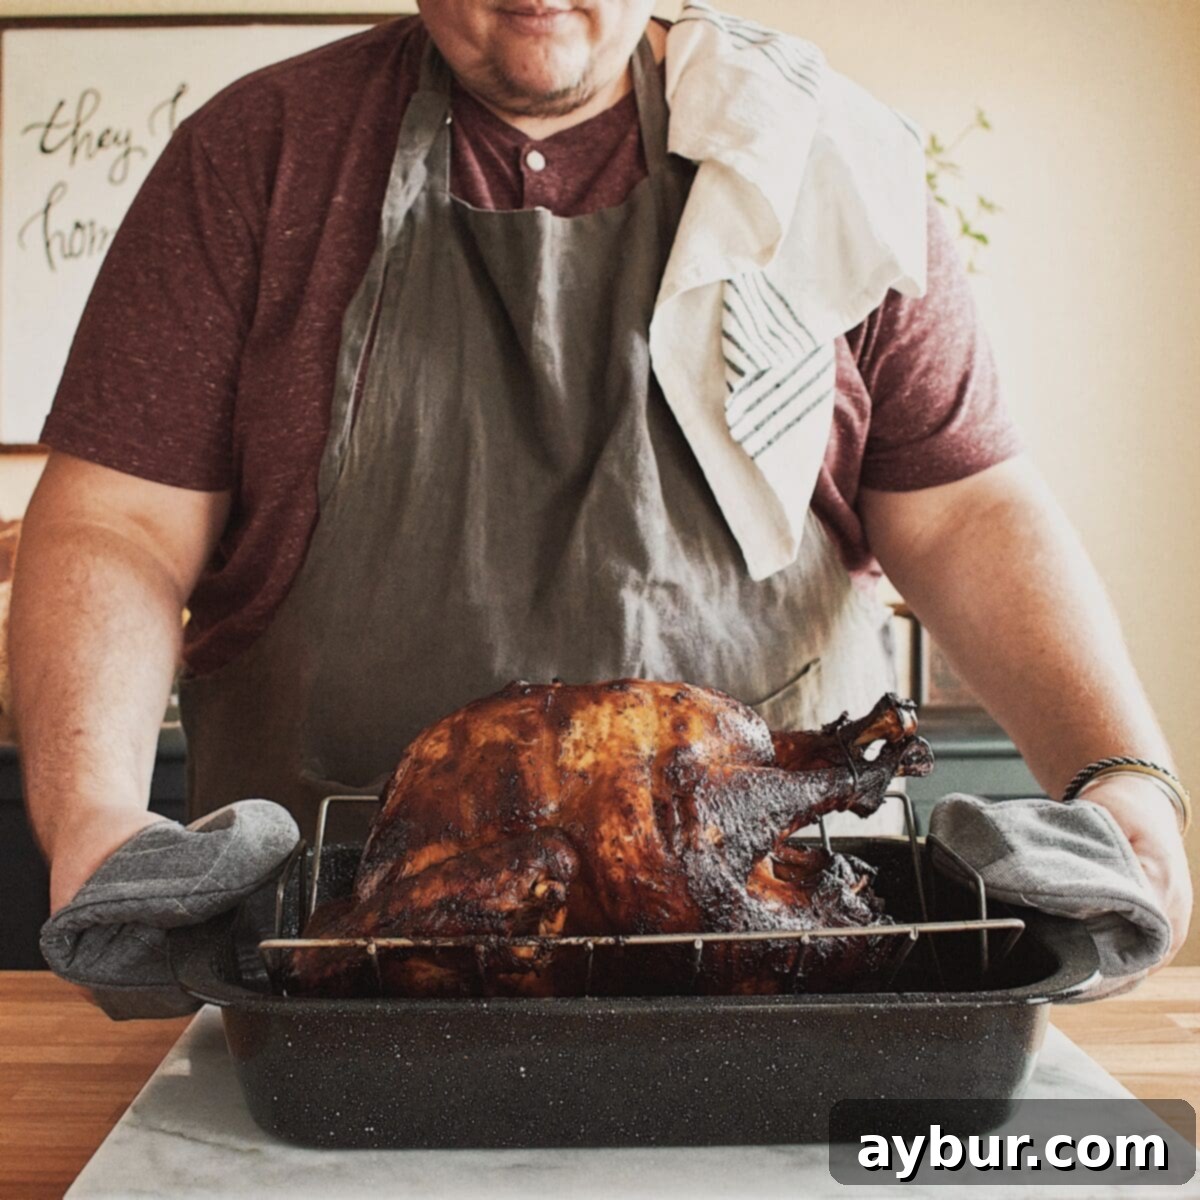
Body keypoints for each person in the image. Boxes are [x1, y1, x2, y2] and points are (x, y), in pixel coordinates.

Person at [11, 0, 1190, 973]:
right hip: (340, 954)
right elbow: (118, 522)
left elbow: (968, 509)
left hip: (779, 962)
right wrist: (100, 815)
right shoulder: (256, 157)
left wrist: (1116, 769)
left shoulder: (831, 165)